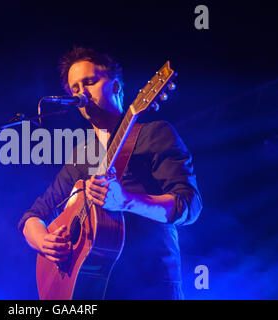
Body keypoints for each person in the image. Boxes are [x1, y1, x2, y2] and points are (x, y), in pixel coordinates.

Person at [18, 46, 203, 299]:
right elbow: (33, 216)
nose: (81, 92)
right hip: (94, 292)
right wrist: (44, 242)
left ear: (116, 87)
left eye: (90, 82)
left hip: (150, 287)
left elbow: (189, 205)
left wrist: (127, 200)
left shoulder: (154, 134)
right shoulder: (81, 156)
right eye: (74, 89)